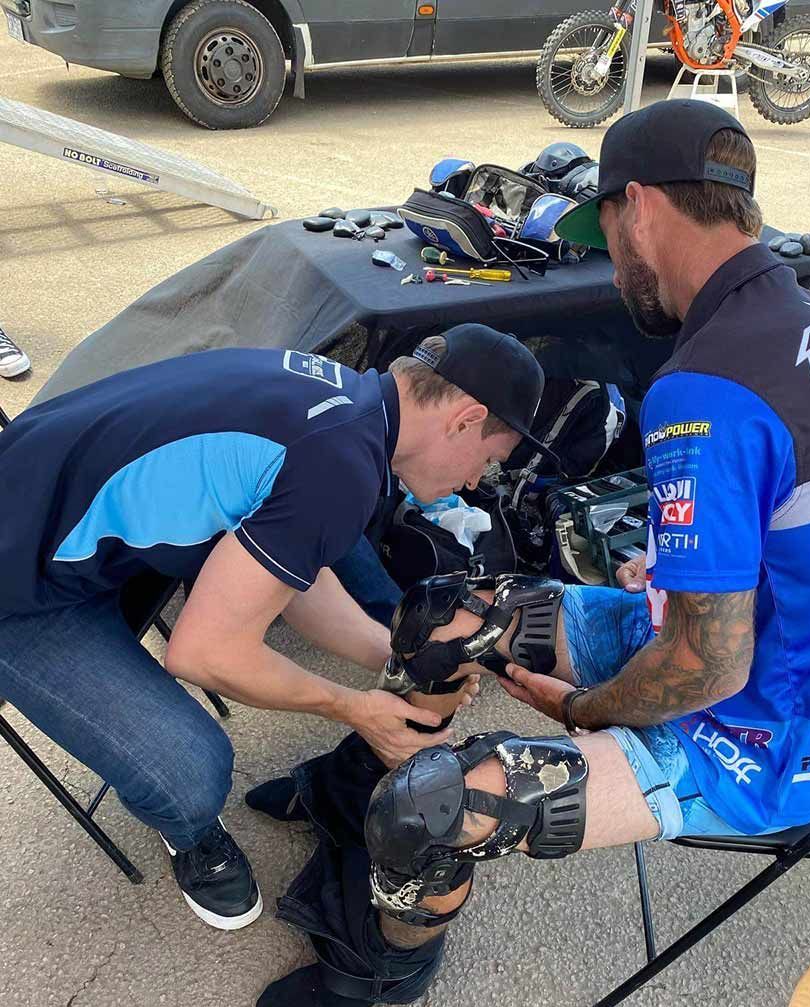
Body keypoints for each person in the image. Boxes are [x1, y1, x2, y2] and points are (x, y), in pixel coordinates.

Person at [253, 100, 810, 1007]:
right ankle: (343, 788)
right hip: (761, 655)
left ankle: (383, 969)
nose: (610, 258)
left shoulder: (708, 388)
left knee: (434, 813)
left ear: (638, 207)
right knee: (439, 613)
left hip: (758, 737)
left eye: (604, 227)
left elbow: (709, 667)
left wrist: (579, 710)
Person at [0, 324, 555, 930]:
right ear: (466, 418)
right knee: (192, 772)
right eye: (489, 461)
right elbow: (204, 654)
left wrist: (395, 660)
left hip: (54, 523)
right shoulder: (338, 465)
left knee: (336, 555)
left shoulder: (344, 401)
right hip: (18, 594)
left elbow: (293, 578)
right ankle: (188, 834)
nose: (476, 483)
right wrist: (354, 708)